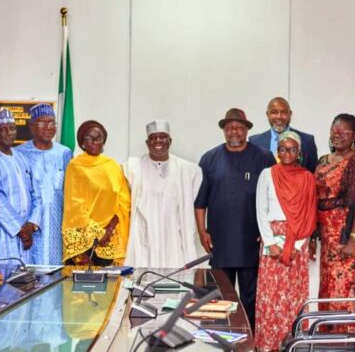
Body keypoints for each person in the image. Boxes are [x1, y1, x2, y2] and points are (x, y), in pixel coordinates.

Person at [194, 108, 276, 330]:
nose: (234, 131)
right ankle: (224, 340)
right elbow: (200, 202)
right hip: (220, 241)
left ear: (247, 130)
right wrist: (202, 231)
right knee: (220, 297)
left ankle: (249, 340)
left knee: (250, 298)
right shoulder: (209, 159)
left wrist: (268, 232)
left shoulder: (264, 157)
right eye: (229, 127)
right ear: (223, 130)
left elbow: (273, 198)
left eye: (239, 127)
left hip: (252, 240)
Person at [255, 131, 316, 351]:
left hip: (298, 242)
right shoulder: (267, 174)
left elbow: (310, 213)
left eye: (291, 149)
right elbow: (261, 210)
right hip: (271, 243)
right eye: (282, 149)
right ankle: (269, 344)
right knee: (271, 297)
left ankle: (294, 343)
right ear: (277, 151)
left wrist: (297, 245)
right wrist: (270, 242)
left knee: (293, 296)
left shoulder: (307, 177)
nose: (287, 153)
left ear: (299, 152)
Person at [311, 113, 355, 334]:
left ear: (354, 136)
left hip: (346, 236)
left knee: (343, 292)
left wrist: (353, 240)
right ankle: (326, 341)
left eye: (343, 131)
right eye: (334, 129)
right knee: (327, 290)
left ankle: (343, 341)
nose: (337, 134)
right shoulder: (323, 161)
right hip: (327, 239)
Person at [123, 119, 202, 268]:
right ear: (147, 143)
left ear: (170, 141)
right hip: (144, 237)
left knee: (175, 282)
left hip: (174, 238)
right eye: (153, 137)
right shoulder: (132, 167)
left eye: (162, 136)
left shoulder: (189, 170)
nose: (158, 141)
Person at [62, 120, 130, 266]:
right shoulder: (76, 166)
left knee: (111, 285)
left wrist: (109, 229)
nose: (95, 141)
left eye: (98, 138)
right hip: (85, 238)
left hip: (111, 236)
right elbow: (75, 205)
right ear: (82, 142)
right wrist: (98, 232)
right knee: (83, 286)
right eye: (90, 138)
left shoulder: (112, 165)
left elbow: (123, 200)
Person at [0, 108, 40, 264]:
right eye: (3, 129)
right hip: (6, 232)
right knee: (5, 279)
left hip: (28, 232)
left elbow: (36, 194)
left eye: (12, 128)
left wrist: (32, 224)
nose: (9, 133)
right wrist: (19, 228)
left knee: (27, 281)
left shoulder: (22, 157)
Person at [15, 103, 72, 265]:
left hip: (57, 225)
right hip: (29, 227)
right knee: (30, 275)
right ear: (32, 127)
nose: (48, 127)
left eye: (52, 122)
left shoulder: (64, 153)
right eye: (42, 123)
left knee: (57, 276)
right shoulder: (19, 153)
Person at [249, 97, 318, 172]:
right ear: (267, 114)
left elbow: (312, 174)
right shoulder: (255, 142)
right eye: (274, 112)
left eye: (284, 112)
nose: (279, 117)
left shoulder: (307, 141)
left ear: (290, 114)